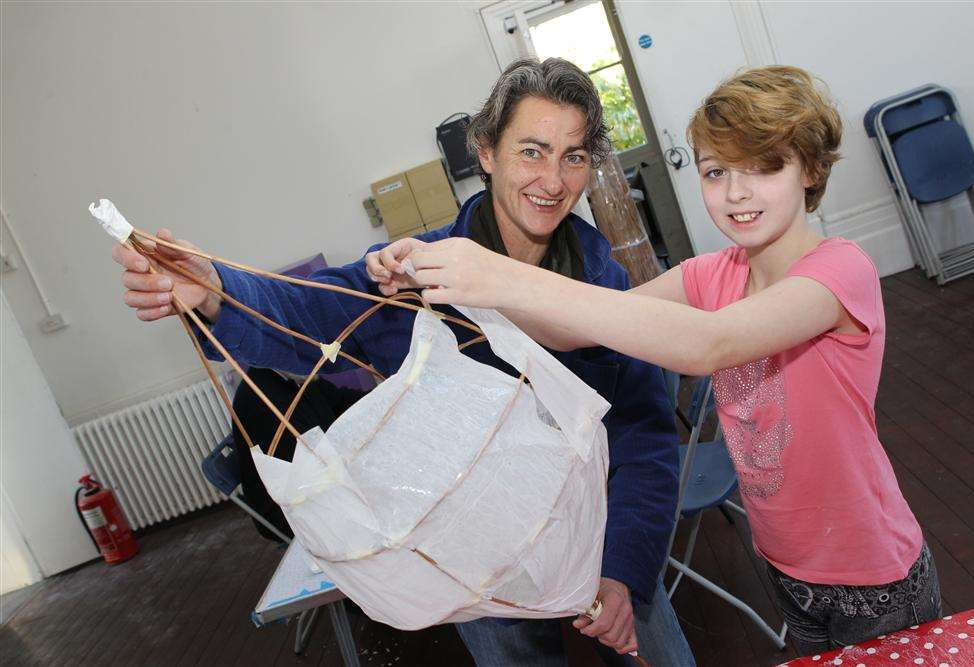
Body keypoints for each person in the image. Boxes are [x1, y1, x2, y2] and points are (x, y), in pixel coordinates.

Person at [111, 57, 694, 665]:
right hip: (475, 555)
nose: (552, 180)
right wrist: (214, 293)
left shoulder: (606, 288)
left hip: (601, 533)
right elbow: (306, 314)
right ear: (486, 152)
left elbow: (646, 437)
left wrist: (624, 574)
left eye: (573, 156)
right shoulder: (414, 274)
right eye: (531, 151)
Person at [372, 65, 942, 654]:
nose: (737, 193)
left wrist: (502, 276)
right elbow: (578, 332)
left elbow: (709, 343)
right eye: (716, 172)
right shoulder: (711, 273)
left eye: (763, 167)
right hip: (788, 563)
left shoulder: (839, 271)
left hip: (873, 575)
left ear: (812, 170)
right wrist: (437, 277)